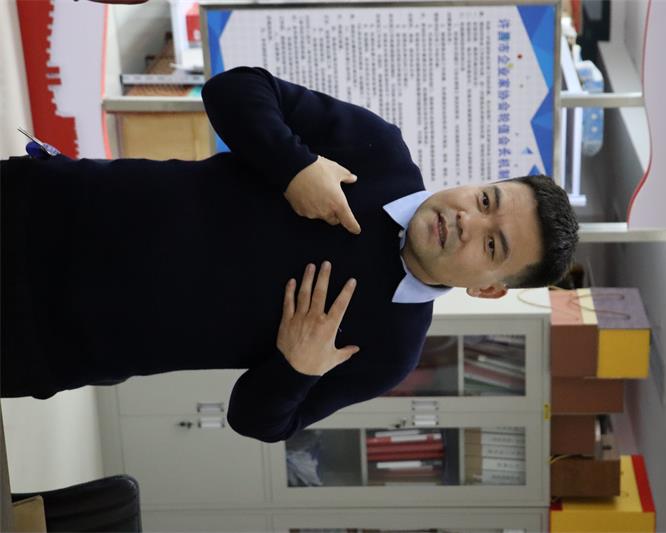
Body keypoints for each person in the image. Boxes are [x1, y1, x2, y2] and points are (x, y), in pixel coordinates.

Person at [0, 67, 579, 442]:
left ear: (489, 288)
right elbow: (233, 88)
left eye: (492, 243)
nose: (467, 220)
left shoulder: (389, 349)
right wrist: (294, 166)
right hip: (41, 210)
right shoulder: (378, 154)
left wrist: (295, 367)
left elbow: (258, 422)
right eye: (485, 199)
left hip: (45, 341)